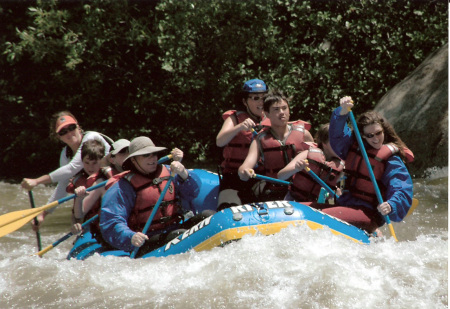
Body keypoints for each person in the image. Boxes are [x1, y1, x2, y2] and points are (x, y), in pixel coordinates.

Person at [99, 136, 211, 255]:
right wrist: (131, 237)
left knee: (208, 216)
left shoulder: (170, 172)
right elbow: (112, 222)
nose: (152, 158)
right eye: (146, 155)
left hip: (175, 227)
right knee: (178, 235)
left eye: (154, 154)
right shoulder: (122, 187)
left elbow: (193, 193)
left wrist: (184, 173)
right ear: (133, 160)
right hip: (147, 239)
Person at [319, 96, 414, 233]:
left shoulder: (391, 160)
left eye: (378, 133)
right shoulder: (354, 147)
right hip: (345, 204)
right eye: (369, 135)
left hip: (368, 213)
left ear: (384, 130)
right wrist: (342, 112)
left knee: (322, 216)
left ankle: (373, 231)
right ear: (362, 136)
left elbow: (401, 187)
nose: (375, 139)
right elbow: (337, 135)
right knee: (306, 207)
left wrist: (391, 204)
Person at [21, 111, 111, 229]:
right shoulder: (65, 154)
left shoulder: (91, 138)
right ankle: (83, 228)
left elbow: (71, 169)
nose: (69, 133)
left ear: (78, 127)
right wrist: (44, 213)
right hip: (94, 193)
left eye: (71, 127)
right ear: (58, 136)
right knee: (77, 191)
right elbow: (63, 184)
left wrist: (37, 181)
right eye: (63, 132)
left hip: (111, 186)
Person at [238, 89, 314, 202]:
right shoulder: (260, 139)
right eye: (276, 109)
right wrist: (244, 172)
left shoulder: (304, 134)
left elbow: (319, 160)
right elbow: (245, 167)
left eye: (284, 108)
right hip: (275, 192)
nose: (282, 112)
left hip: (302, 191)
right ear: (267, 114)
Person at [216, 78, 270, 210]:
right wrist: (239, 127)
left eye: (264, 97)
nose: (261, 102)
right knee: (227, 208)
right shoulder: (234, 118)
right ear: (245, 101)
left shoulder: (272, 118)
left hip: (261, 176)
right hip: (233, 177)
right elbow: (220, 141)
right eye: (256, 98)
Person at [278, 123, 345, 202]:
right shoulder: (306, 154)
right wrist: (295, 168)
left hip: (317, 206)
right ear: (324, 143)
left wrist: (337, 192)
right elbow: (280, 176)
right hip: (295, 201)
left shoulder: (341, 167)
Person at [68, 140, 106, 236]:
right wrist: (74, 224)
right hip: (89, 227)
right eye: (87, 162)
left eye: (94, 163)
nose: (90, 167)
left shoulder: (102, 181)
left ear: (102, 161)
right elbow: (76, 215)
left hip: (102, 227)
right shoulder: (79, 180)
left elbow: (80, 214)